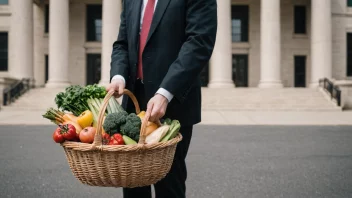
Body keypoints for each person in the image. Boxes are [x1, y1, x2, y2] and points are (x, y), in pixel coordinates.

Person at [106, 0, 217, 197]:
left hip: (173, 102)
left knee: (169, 185)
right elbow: (122, 44)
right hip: (133, 102)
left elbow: (198, 43)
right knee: (132, 184)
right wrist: (118, 76)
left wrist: (165, 92)